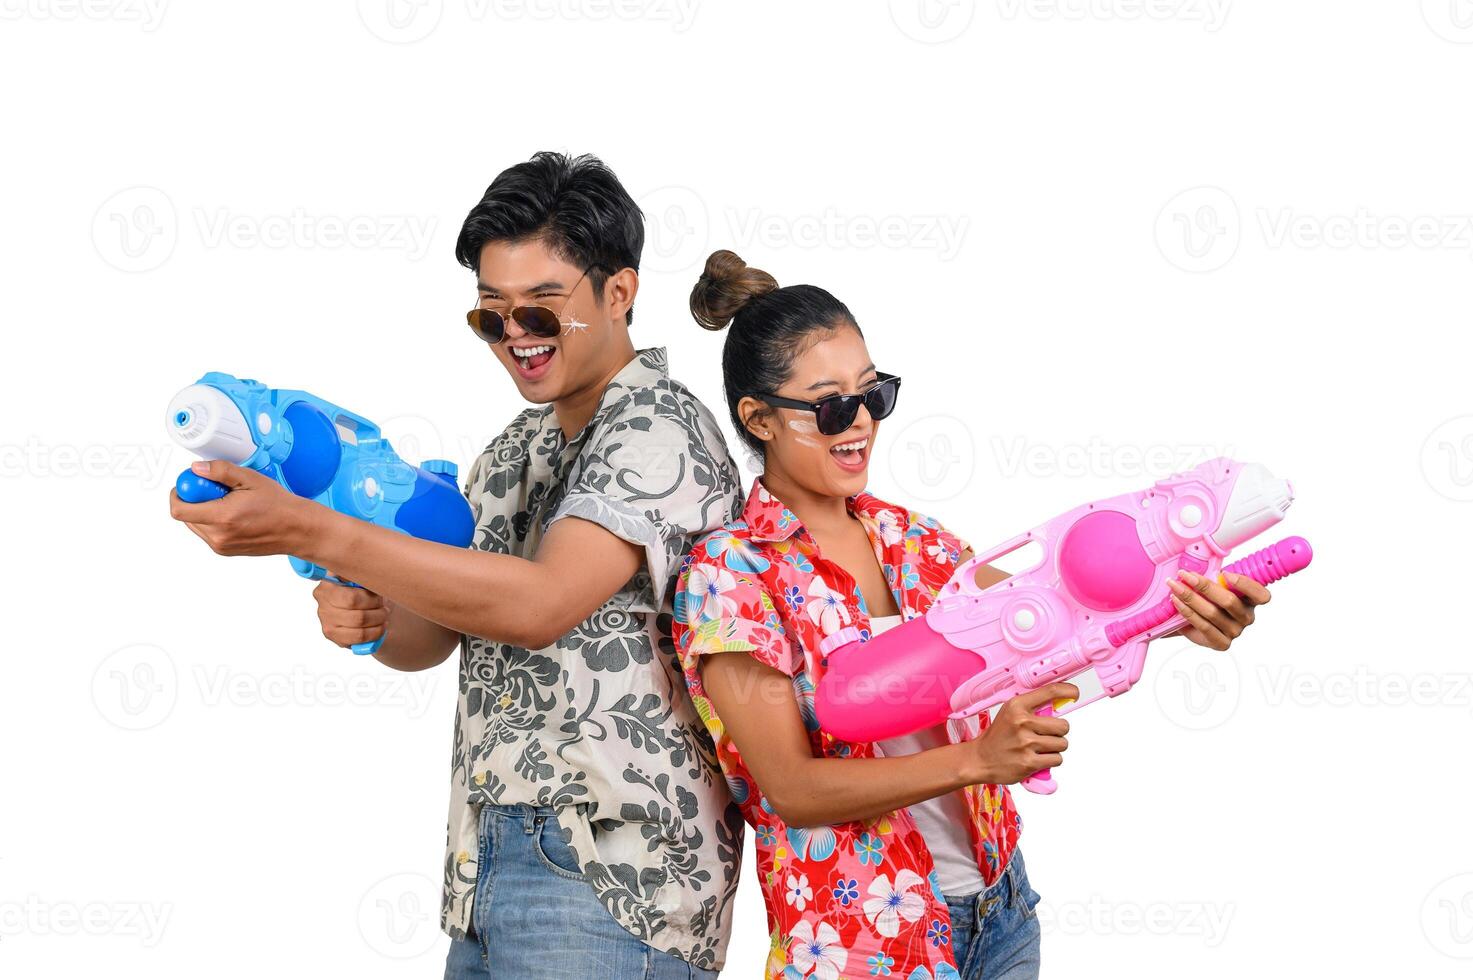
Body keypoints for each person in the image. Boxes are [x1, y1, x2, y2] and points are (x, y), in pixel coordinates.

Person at [169, 153, 747, 978]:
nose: (516, 335)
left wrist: (320, 530)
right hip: (486, 857)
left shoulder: (660, 428)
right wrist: (369, 615)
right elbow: (435, 637)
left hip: (615, 876)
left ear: (618, 293)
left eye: (542, 313)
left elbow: (538, 603)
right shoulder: (512, 448)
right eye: (491, 316)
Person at [670, 250, 1272, 979]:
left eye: (874, 395)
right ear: (758, 418)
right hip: (860, 940)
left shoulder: (923, 544)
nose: (858, 421)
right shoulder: (730, 575)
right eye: (829, 405)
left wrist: (1182, 619)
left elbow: (1057, 646)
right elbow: (789, 789)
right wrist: (975, 763)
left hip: (1000, 911)